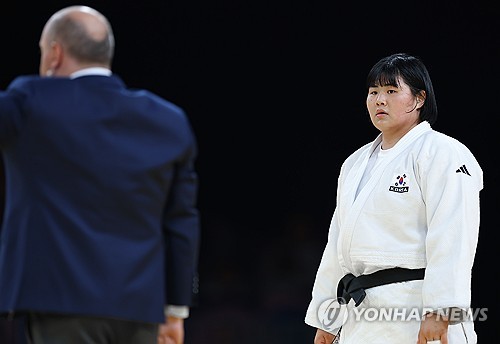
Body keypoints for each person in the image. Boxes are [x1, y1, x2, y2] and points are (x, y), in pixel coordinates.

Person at [0, 5, 200, 344]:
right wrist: (176, 310)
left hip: (60, 306)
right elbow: (181, 224)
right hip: (141, 311)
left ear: (54, 54)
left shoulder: (30, 103)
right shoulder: (169, 121)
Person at [304, 53, 483, 344]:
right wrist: (327, 319)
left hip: (416, 307)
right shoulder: (355, 163)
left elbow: (454, 234)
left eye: (391, 91)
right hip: (361, 314)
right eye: (373, 92)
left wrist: (441, 309)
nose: (379, 100)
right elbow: (338, 246)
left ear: (419, 99)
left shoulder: (443, 152)